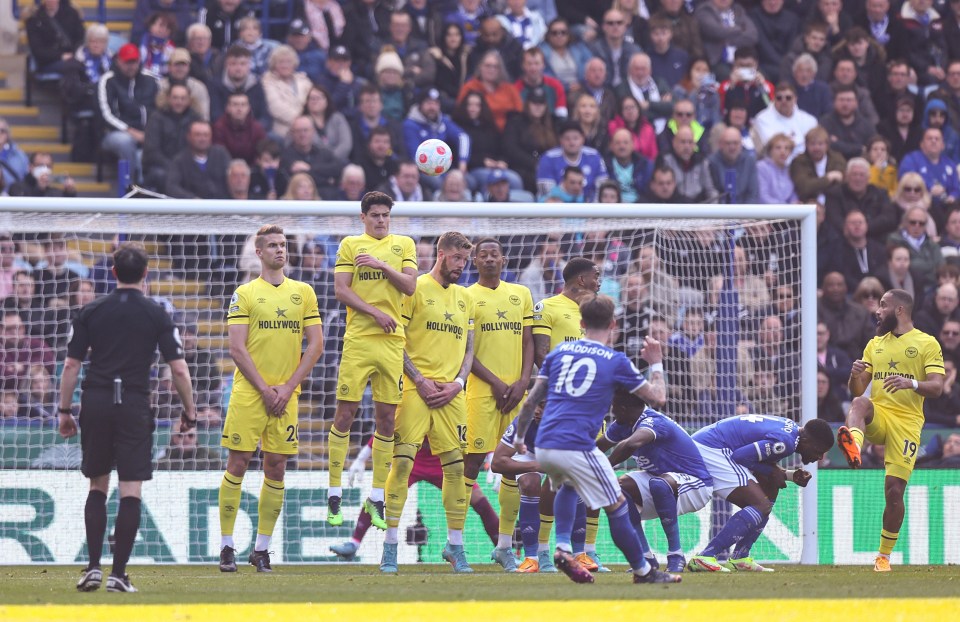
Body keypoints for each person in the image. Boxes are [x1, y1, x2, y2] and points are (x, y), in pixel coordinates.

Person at [58, 243, 197, 593]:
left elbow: (71, 364)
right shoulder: (157, 313)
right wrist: (189, 412)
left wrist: (63, 410)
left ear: (114, 273)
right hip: (134, 402)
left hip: (97, 400)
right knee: (130, 487)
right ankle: (118, 574)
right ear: (146, 273)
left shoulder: (91, 311)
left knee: (97, 484)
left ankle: (92, 568)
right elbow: (178, 369)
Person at [512, 294, 679, 585]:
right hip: (576, 444)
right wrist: (656, 363)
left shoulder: (558, 354)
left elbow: (530, 402)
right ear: (613, 324)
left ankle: (563, 547)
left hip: (546, 444)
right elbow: (659, 398)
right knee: (616, 504)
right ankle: (644, 571)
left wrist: (518, 439)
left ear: (581, 323)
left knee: (567, 484)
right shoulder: (615, 361)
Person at [217, 225, 324, 574]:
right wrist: (265, 388)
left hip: (286, 395)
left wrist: (288, 387)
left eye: (283, 244)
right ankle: (227, 545)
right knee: (239, 462)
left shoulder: (303, 292)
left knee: (276, 466)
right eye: (273, 245)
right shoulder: (245, 293)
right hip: (250, 393)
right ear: (259, 252)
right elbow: (236, 347)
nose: (280, 250)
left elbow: (316, 344)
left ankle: (261, 548)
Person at [378, 232, 474, 574]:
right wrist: (419, 379)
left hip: (451, 396)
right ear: (441, 254)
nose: (461, 266)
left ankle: (456, 546)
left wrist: (458, 384)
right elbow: (395, 341)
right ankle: (389, 546)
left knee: (457, 470)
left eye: (465, 261)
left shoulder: (465, 298)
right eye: (457, 259)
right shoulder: (414, 289)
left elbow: (470, 348)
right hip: (415, 392)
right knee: (401, 466)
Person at [325, 192, 417, 530]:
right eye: (375, 215)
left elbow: (409, 286)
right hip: (360, 340)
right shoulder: (350, 244)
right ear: (363, 217)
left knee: (387, 421)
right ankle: (334, 492)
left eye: (385, 215)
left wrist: (381, 265)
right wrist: (374, 312)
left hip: (392, 343)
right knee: (345, 413)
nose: (381, 220)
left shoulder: (403, 244)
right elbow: (341, 290)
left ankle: (376, 497)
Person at [838, 288, 945, 571]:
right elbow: (857, 390)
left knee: (894, 491)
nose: (877, 310)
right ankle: (855, 447)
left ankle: (883, 556)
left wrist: (911, 383)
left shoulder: (926, 343)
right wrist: (854, 375)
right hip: (881, 413)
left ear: (899, 310)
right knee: (860, 402)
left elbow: (937, 387)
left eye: (883, 306)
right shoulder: (875, 344)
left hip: (908, 422)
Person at [463, 238, 534, 572]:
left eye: (494, 254)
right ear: (475, 261)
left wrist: (523, 382)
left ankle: (505, 546)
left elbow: (528, 339)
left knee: (514, 464)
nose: (489, 259)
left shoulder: (520, 294)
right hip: (481, 391)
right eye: (483, 255)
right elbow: (466, 350)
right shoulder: (465, 296)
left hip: (516, 392)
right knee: (471, 463)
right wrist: (496, 382)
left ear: (503, 259)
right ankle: (455, 543)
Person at [686, 414, 834, 572]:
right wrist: (772, 471)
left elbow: (760, 462)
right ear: (806, 440)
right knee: (760, 504)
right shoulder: (787, 442)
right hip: (712, 448)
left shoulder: (791, 430)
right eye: (818, 451)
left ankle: (740, 557)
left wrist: (787, 475)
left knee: (770, 488)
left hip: (712, 444)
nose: (819, 457)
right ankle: (706, 556)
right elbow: (740, 456)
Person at [600, 391, 715, 572]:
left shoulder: (654, 422)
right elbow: (598, 447)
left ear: (623, 408)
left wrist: (603, 468)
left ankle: (676, 555)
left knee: (659, 484)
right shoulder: (622, 423)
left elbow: (630, 445)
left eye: (613, 406)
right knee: (617, 488)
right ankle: (645, 558)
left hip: (697, 485)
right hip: (661, 481)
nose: (611, 410)